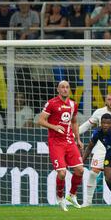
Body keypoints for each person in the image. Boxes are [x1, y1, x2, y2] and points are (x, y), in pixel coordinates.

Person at [37, 81, 84, 212]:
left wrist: (78, 139)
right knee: (62, 173)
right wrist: (54, 127)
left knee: (80, 170)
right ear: (58, 89)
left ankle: (72, 195)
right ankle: (60, 197)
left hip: (69, 141)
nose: (65, 89)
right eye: (62, 87)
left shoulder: (73, 104)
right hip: (55, 142)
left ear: (69, 90)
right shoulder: (51, 103)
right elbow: (40, 120)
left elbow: (74, 122)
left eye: (67, 87)